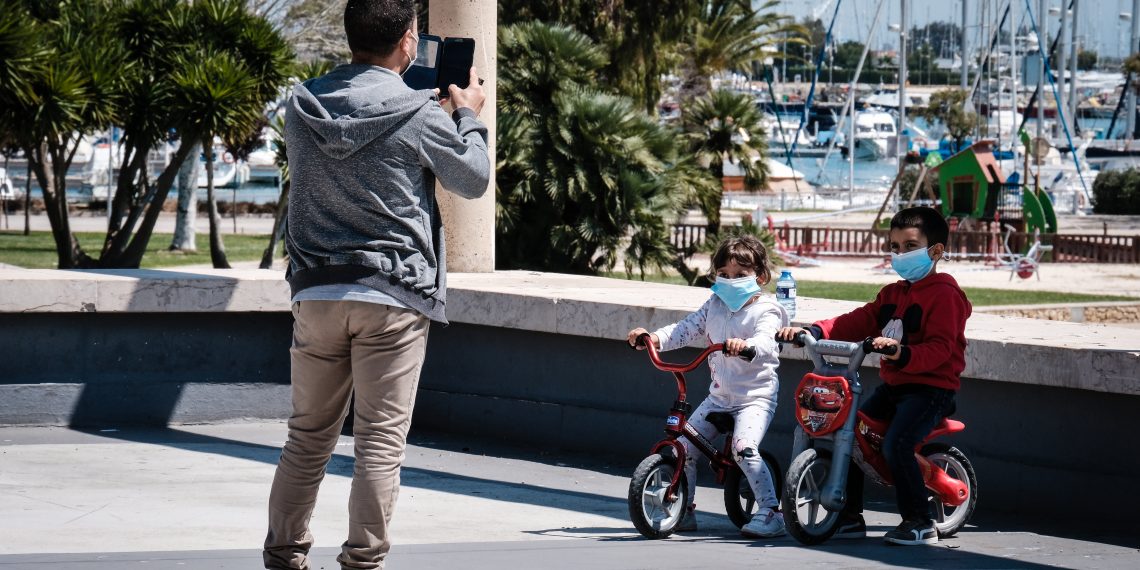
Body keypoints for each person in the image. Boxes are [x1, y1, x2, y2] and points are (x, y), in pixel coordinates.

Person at [263, 0, 490, 568]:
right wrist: (468, 115)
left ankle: (283, 556)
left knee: (307, 437)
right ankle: (362, 562)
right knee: (379, 445)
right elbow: (473, 178)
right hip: (391, 297)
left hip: (316, 293)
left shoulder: (302, 105)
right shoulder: (418, 113)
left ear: (349, 37)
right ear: (410, 41)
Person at [777, 206, 971, 546]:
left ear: (936, 251)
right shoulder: (893, 294)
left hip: (931, 390)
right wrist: (814, 331)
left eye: (909, 246)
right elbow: (859, 320)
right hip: (896, 387)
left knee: (897, 444)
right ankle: (849, 517)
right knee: (847, 432)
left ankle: (920, 522)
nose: (899, 254)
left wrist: (901, 352)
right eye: (894, 247)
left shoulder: (945, 294)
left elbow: (942, 348)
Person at [627, 235, 789, 538]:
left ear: (761, 277)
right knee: (684, 448)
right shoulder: (714, 304)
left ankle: (770, 511)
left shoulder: (767, 309)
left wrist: (747, 345)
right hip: (719, 397)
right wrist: (654, 338)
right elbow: (686, 329)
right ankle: (683, 509)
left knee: (744, 448)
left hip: (755, 398)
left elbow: (768, 340)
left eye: (740, 275)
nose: (730, 281)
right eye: (724, 275)